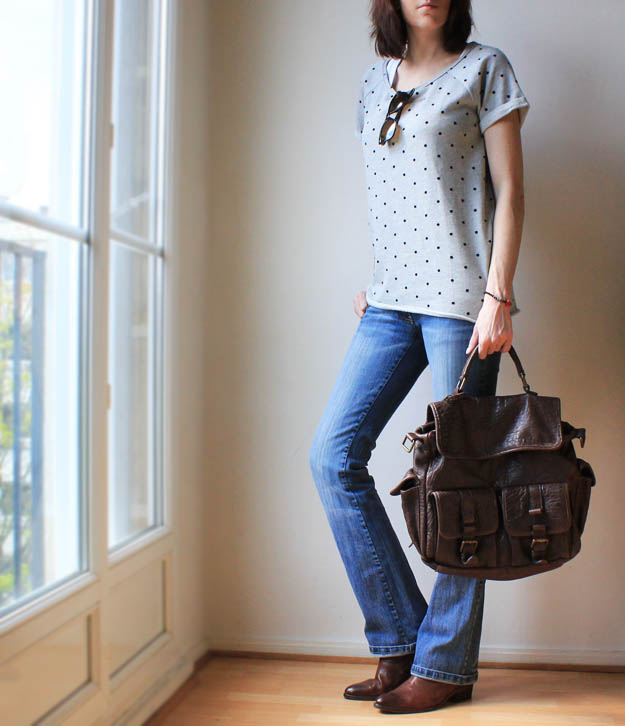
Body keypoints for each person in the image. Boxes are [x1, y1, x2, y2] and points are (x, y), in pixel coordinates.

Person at [308, 0, 530, 716]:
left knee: (459, 477)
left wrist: (498, 296)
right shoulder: (372, 82)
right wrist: (379, 281)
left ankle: (446, 663)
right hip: (389, 302)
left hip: (463, 304)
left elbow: (510, 192)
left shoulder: (485, 69)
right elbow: (392, 192)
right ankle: (401, 638)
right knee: (332, 459)